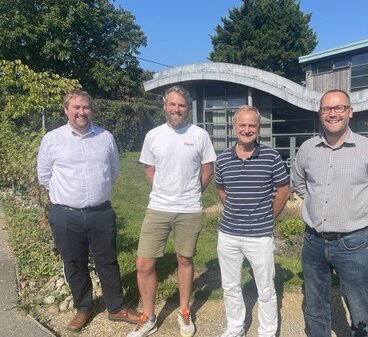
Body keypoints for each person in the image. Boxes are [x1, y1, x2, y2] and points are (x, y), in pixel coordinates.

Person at [291, 89, 368, 337]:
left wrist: (360, 215)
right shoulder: (308, 148)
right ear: (320, 114)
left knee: (360, 310)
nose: (332, 113)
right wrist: (314, 204)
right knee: (315, 307)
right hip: (313, 242)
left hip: (352, 244)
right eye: (326, 109)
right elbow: (299, 182)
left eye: (338, 108)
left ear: (350, 112)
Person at [37, 89, 140, 332]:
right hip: (65, 214)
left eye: (86, 107)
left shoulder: (105, 137)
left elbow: (113, 171)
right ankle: (84, 308)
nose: (82, 112)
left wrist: (95, 193)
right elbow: (44, 175)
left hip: (100, 213)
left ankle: (116, 308)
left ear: (91, 110)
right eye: (76, 107)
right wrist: (68, 196)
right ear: (66, 110)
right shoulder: (52, 139)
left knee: (108, 261)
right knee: (74, 262)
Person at [127, 85, 216, 337]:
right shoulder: (153, 135)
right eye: (172, 104)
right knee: (144, 263)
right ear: (165, 106)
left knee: (184, 260)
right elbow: (148, 168)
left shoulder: (199, 135)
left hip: (188, 209)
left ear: (188, 109)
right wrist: (162, 189)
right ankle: (149, 316)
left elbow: (207, 167)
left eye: (181, 105)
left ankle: (184, 310)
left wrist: (194, 191)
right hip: (158, 207)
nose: (176, 109)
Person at [215, 105, 290, 337]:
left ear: (258, 128)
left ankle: (267, 332)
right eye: (243, 125)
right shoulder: (223, 159)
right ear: (234, 126)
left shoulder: (271, 156)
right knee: (230, 286)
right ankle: (235, 327)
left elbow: (284, 191)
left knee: (266, 289)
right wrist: (236, 209)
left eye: (252, 125)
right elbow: (220, 189)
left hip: (259, 235)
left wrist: (268, 217)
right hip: (228, 234)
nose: (247, 130)